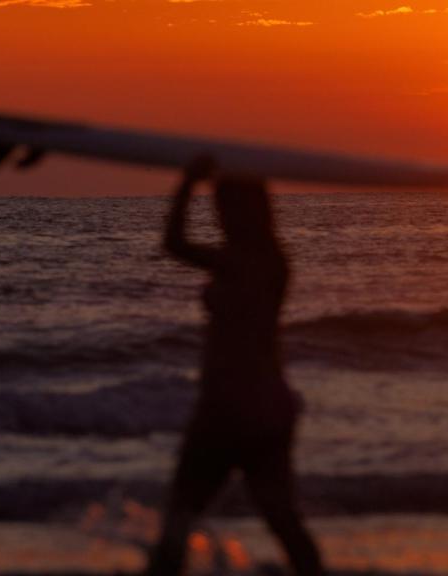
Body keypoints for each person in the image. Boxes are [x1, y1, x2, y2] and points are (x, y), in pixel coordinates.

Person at [148, 156, 324, 576]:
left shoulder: (250, 262)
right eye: (218, 207)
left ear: (245, 212)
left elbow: (173, 243)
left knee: (181, 514)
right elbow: (175, 245)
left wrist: (186, 183)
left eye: (225, 208)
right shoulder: (269, 260)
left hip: (232, 409)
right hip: (264, 407)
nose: (220, 216)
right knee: (281, 518)